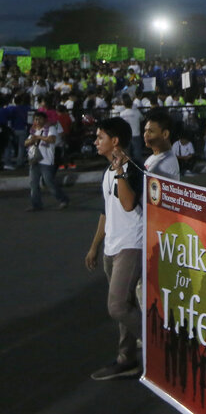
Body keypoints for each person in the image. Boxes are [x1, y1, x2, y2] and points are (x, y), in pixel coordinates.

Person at [85, 117, 144, 380]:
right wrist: (95, 246)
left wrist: (121, 170)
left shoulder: (132, 168)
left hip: (132, 244)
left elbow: (129, 204)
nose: (96, 141)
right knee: (125, 305)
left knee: (118, 306)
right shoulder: (107, 171)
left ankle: (163, 345)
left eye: (100, 137)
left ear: (115, 141)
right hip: (111, 246)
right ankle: (127, 358)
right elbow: (106, 212)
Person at [25, 111, 69, 211]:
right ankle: (36, 204)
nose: (37, 121)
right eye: (36, 119)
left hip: (46, 161)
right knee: (33, 183)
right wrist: (31, 140)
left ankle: (63, 199)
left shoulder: (51, 128)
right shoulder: (33, 130)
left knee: (49, 182)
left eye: (39, 119)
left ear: (45, 120)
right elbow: (26, 143)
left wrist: (38, 137)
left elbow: (52, 140)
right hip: (35, 160)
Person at [143, 109, 180, 180]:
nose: (145, 135)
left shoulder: (166, 163)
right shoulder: (153, 157)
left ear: (165, 134)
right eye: (145, 131)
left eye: (150, 131)